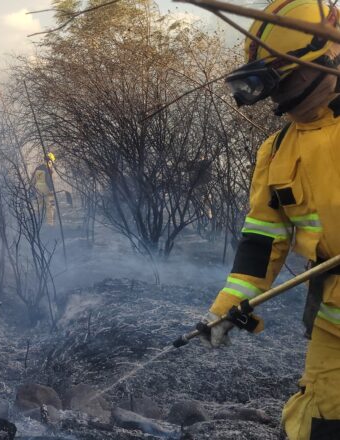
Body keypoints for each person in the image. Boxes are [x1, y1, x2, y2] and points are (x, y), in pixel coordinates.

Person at [204, 1, 340, 438]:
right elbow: (263, 238)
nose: (279, 97)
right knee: (317, 423)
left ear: (327, 55)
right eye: (271, 86)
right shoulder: (278, 151)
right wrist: (228, 306)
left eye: (287, 79)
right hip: (333, 325)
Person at [32, 152, 56, 226]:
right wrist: (51, 190)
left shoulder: (38, 168)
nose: (51, 164)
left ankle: (40, 224)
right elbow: (49, 181)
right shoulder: (47, 169)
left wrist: (33, 190)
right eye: (51, 162)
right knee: (50, 208)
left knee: (39, 208)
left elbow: (32, 181)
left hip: (38, 191)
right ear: (50, 161)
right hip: (47, 191)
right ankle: (50, 224)